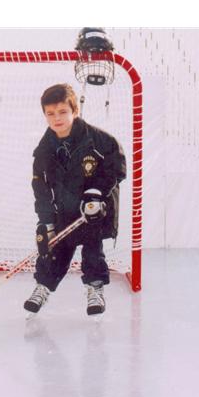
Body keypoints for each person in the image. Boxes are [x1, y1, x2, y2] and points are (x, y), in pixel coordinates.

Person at [24, 83, 126, 316]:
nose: (57, 118)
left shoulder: (99, 140)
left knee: (92, 249)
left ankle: (95, 289)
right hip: (64, 211)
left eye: (62, 112)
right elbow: (40, 187)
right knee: (53, 251)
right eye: (50, 113)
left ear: (75, 111)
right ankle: (43, 287)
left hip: (92, 211)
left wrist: (97, 193)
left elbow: (116, 166)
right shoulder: (43, 151)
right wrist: (46, 222)